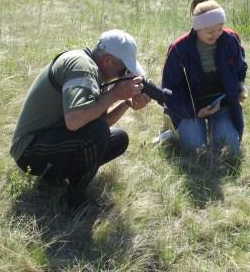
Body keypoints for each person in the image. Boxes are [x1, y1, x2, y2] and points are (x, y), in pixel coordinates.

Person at [10, 29, 150, 208]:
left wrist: (126, 103)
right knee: (99, 133)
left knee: (118, 138)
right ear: (107, 61)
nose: (123, 75)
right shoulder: (81, 67)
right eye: (123, 70)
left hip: (50, 140)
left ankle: (55, 179)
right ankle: (73, 201)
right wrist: (115, 94)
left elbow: (99, 123)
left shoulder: (97, 74)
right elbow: (75, 120)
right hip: (29, 151)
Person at [162, 0, 247, 158]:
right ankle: (175, 131)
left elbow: (241, 67)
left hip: (222, 105)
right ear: (197, 28)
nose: (216, 34)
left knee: (229, 150)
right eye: (210, 31)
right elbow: (169, 90)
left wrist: (240, 88)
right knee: (195, 151)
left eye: (219, 29)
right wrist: (195, 112)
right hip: (190, 107)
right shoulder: (179, 49)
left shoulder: (231, 40)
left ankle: (218, 126)